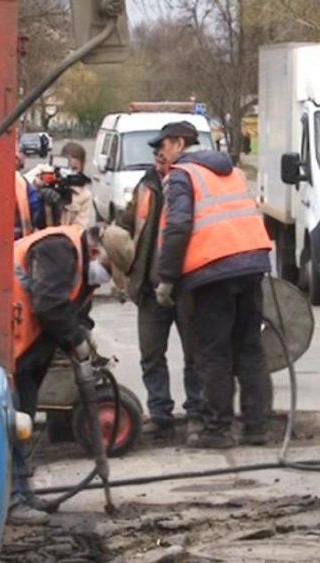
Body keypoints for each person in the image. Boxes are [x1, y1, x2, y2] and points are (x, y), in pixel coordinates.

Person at [151, 121, 273, 449]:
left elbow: (177, 227)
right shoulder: (232, 171)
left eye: (162, 145)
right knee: (249, 349)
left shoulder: (183, 175)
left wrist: (167, 279)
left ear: (178, 143)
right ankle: (256, 427)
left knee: (213, 352)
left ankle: (217, 430)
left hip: (213, 271)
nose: (161, 153)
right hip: (250, 264)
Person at [7, 223, 112, 524]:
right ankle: (11, 502)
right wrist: (75, 339)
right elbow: (50, 305)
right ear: (95, 251)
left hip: (24, 347)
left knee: (22, 420)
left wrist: (83, 334)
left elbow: (71, 309)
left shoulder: (77, 261)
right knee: (10, 425)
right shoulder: (59, 248)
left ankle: (23, 493)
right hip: (5, 339)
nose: (106, 279)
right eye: (108, 269)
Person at [116, 144, 203, 442]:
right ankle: (161, 416)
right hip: (150, 288)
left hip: (187, 287)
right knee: (151, 356)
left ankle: (196, 414)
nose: (158, 155)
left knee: (195, 356)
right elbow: (128, 226)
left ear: (180, 149)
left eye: (163, 149)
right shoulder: (146, 186)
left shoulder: (191, 183)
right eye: (155, 151)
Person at [59, 142, 95, 228]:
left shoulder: (85, 195)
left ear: (82, 168)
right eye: (66, 167)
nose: (70, 172)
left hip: (67, 238)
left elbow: (80, 227)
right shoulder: (50, 185)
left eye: (74, 169)